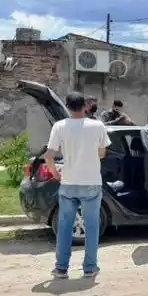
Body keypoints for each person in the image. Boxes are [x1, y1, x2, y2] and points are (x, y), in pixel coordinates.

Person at [44, 92, 111, 279]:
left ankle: (61, 268)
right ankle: (90, 268)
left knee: (65, 227)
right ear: (86, 106)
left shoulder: (59, 126)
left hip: (68, 182)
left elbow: (49, 155)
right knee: (92, 227)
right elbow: (102, 153)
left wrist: (55, 173)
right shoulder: (98, 126)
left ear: (67, 106)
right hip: (91, 182)